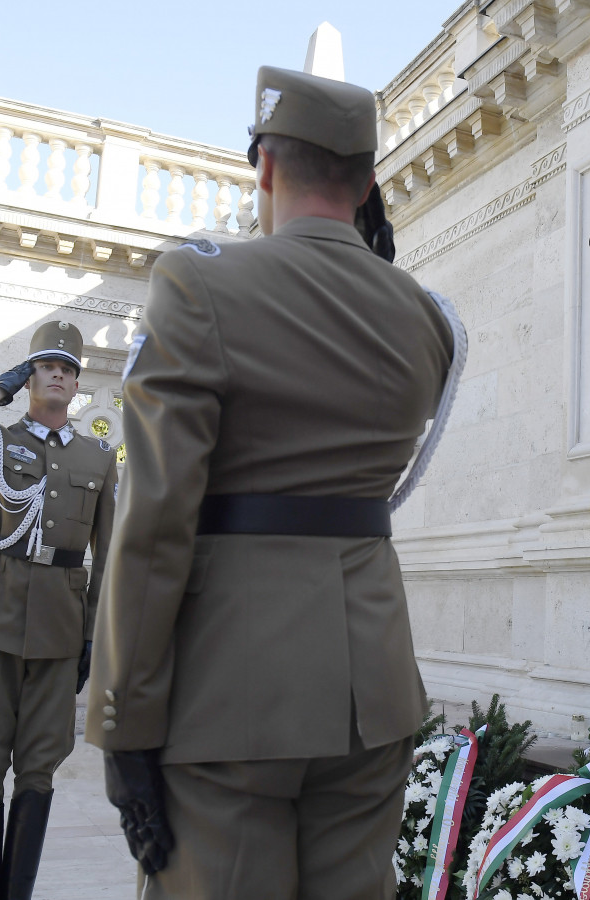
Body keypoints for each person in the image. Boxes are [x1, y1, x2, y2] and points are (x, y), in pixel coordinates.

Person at [85, 65, 457, 899]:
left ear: (264, 167)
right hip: (374, 684)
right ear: (366, 182)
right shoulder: (428, 318)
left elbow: (154, 523)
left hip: (232, 691)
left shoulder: (201, 284)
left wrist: (124, 718)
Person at [0, 320, 118, 900]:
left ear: (78, 382)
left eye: (67, 368)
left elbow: (107, 558)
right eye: (45, 366)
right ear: (29, 377)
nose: (57, 373)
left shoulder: (100, 456)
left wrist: (93, 635)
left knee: (39, 766)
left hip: (62, 627)